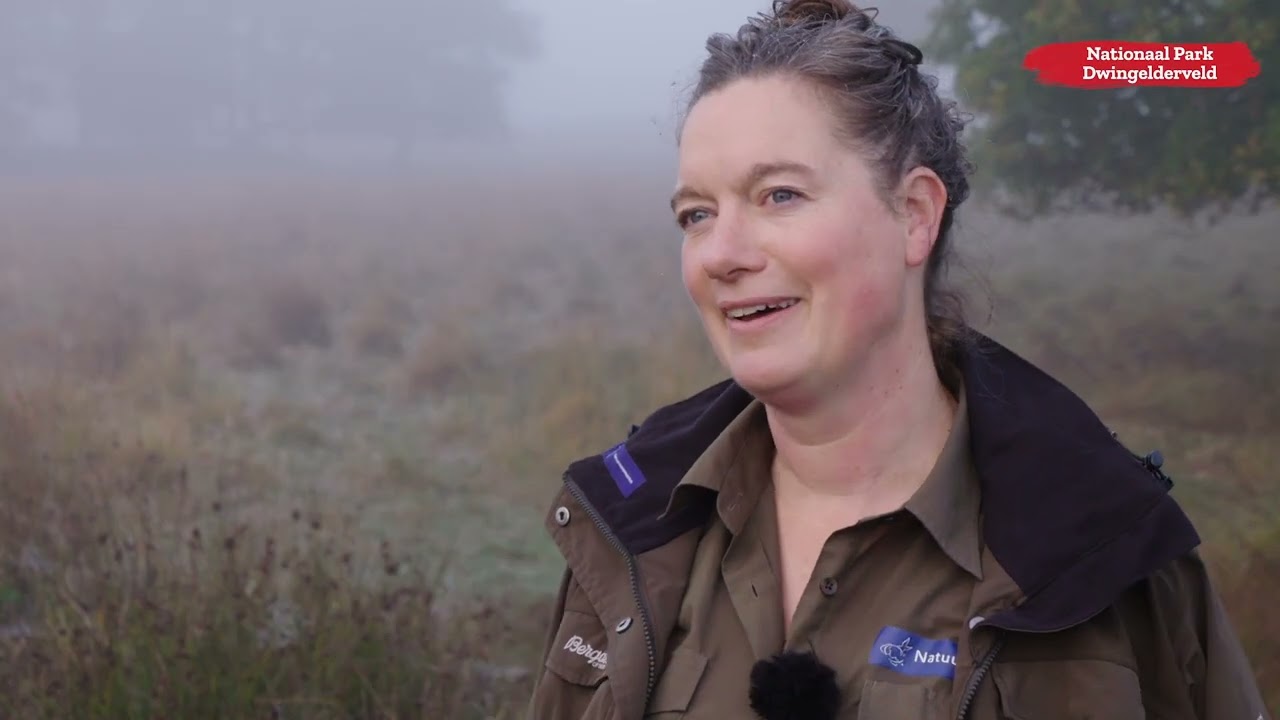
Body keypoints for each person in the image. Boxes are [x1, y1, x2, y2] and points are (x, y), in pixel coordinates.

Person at [524, 1, 1270, 718]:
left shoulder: (1104, 551)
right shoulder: (628, 531)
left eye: (779, 195)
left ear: (914, 215)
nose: (721, 254)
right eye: (697, 214)